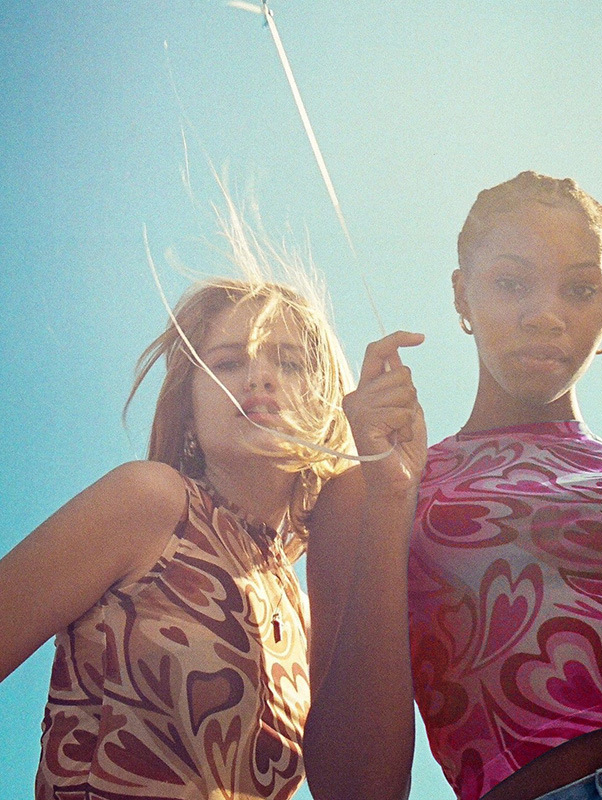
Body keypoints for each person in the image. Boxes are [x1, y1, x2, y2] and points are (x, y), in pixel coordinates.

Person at [302, 171, 602, 800]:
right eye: (512, 283)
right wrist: (392, 498)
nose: (545, 315)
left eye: (580, 288)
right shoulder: (373, 491)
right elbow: (354, 788)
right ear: (462, 295)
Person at [0, 265, 362, 799]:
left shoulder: (308, 613)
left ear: (325, 405)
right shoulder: (153, 503)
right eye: (228, 362)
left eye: (289, 363)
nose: (260, 377)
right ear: (188, 412)